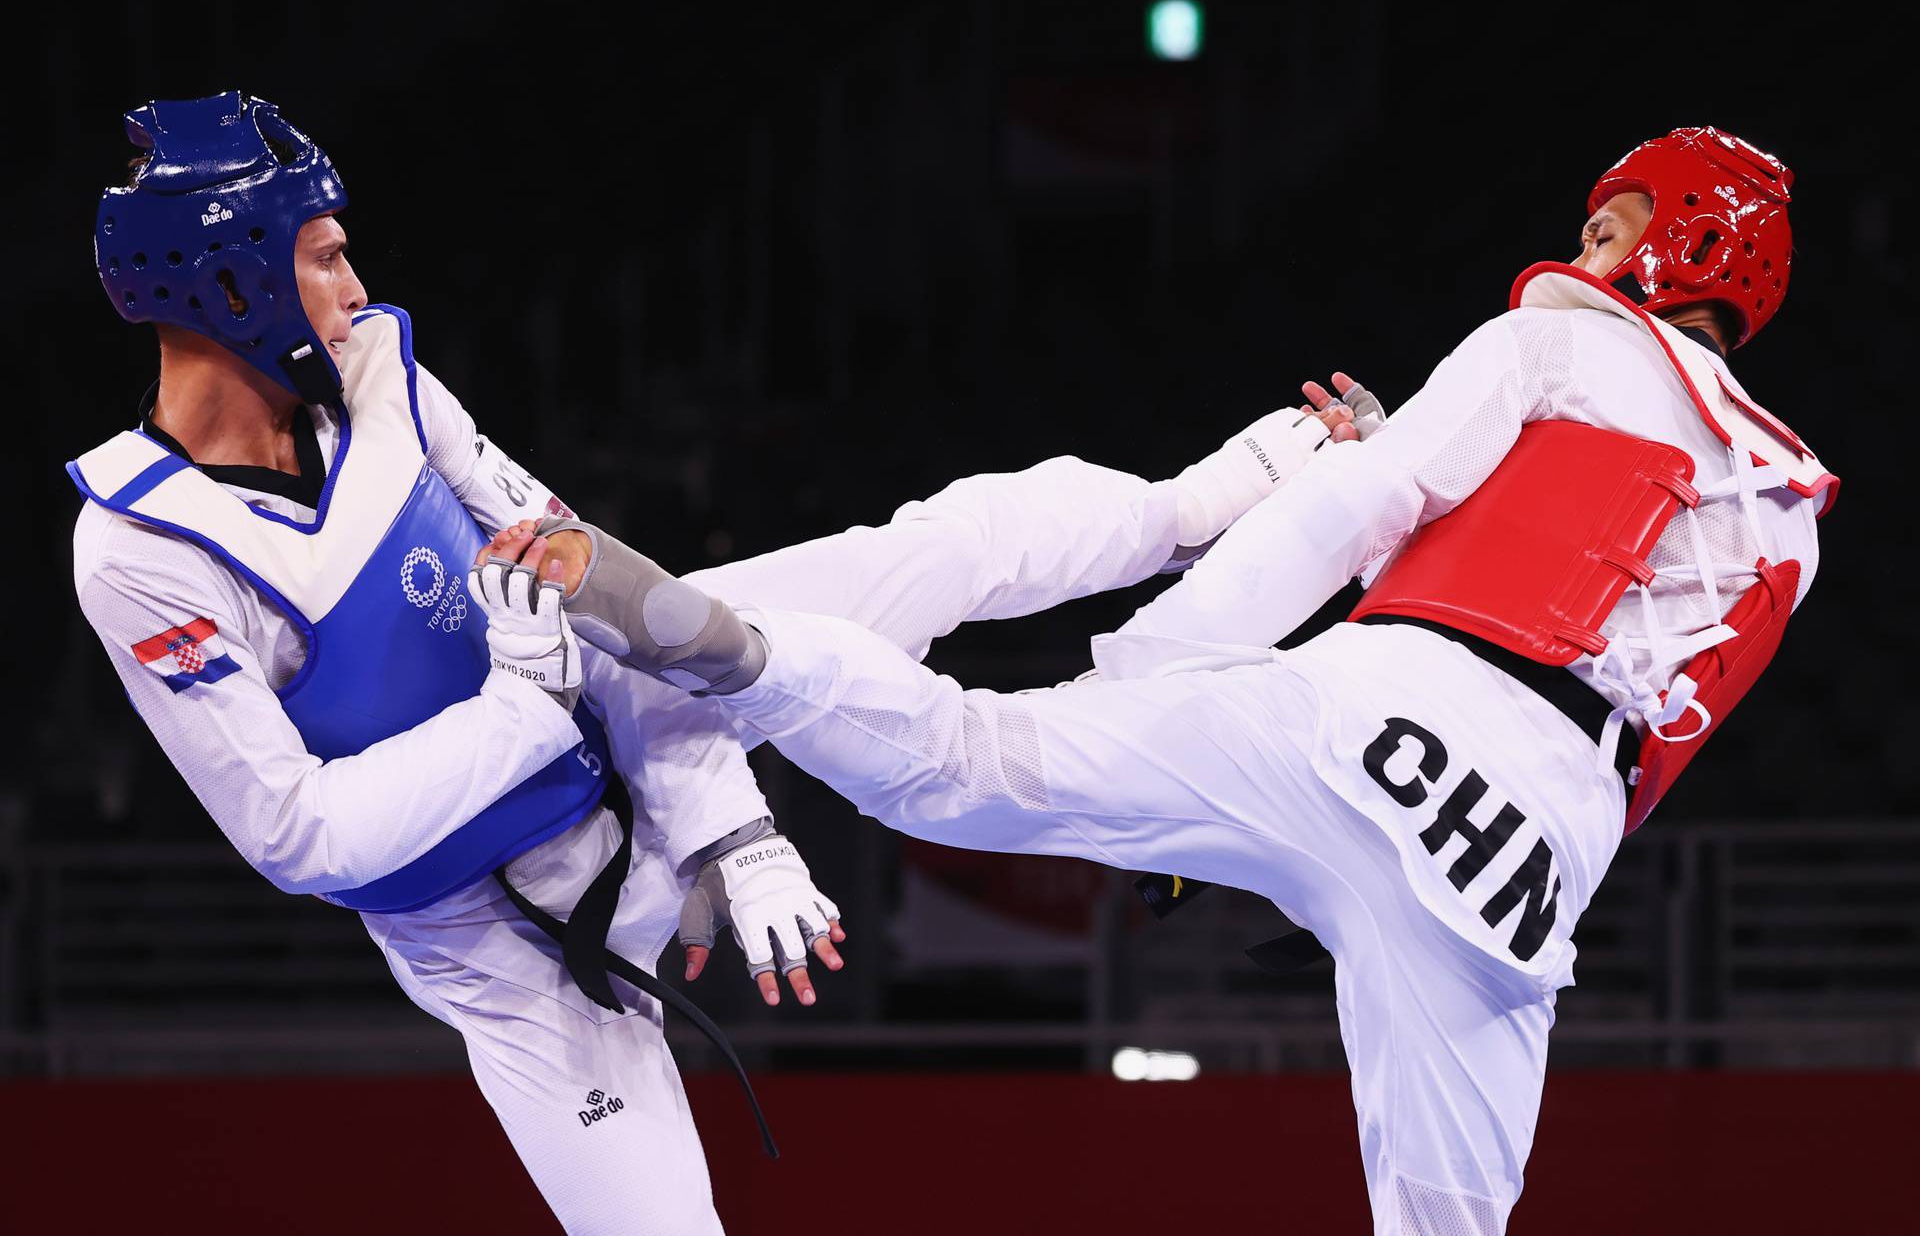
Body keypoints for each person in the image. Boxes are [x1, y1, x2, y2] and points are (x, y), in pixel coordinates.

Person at [68, 91, 1363, 1233]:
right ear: (228, 274)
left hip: (617, 712)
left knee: (947, 540)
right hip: (497, 938)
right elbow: (306, 837)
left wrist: (724, 826)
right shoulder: (140, 546)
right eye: (325, 252)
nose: (354, 282)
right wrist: (525, 701)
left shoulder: (383, 374)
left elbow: (589, 578)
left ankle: (1198, 506)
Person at [528, 127, 1836, 1234]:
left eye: (1614, 229)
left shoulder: (1549, 346)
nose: (1590, 253)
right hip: (1530, 864)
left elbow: (1351, 514)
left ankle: (734, 644)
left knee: (971, 763)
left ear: (1686, 244)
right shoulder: (1791, 513)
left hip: (1371, 714)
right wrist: (1402, 886)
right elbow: (1651, 748)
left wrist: (1147, 672)